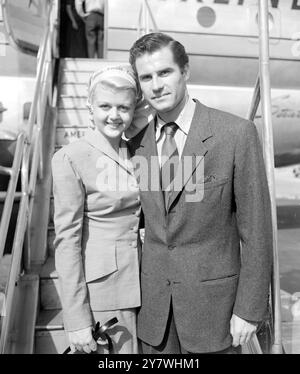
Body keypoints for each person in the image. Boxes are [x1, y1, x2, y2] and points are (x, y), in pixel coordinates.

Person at [127, 32, 273, 354]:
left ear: (185, 71)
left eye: (165, 72)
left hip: (216, 318)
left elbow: (256, 233)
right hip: (155, 322)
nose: (156, 85)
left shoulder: (235, 135)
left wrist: (248, 310)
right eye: (146, 77)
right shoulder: (136, 146)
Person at [52, 66, 141, 354]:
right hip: (104, 293)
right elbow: (67, 241)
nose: (114, 115)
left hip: (148, 282)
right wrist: (77, 319)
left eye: (124, 107)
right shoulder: (70, 157)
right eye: (105, 106)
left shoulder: (141, 153)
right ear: (89, 108)